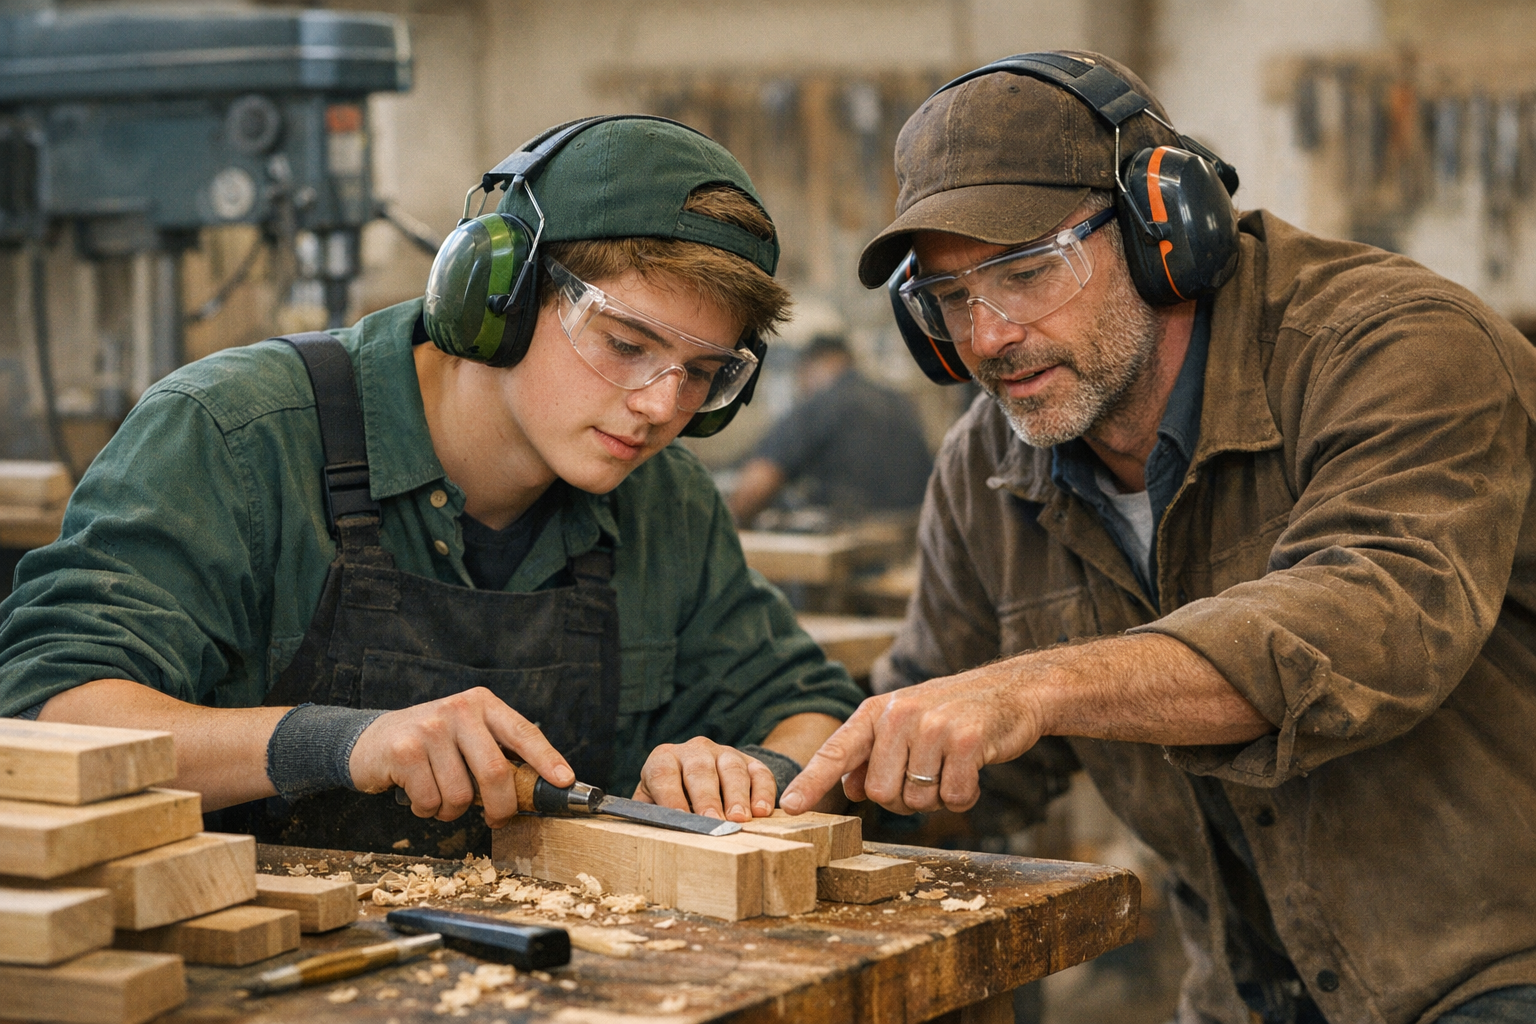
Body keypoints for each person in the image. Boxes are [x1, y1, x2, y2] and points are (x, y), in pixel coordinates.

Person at [782, 51, 1536, 1024]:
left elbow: (1373, 623)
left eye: (1022, 270)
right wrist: (785, 770)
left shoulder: (1397, 346)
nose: (990, 335)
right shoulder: (988, 468)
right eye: (950, 297)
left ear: (1164, 229)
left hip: (1494, 966)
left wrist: (1037, 684)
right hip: (1246, 992)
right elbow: (954, 748)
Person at [0, 116, 862, 857]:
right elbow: (52, 717)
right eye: (628, 344)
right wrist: (339, 741)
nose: (660, 406)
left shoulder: (664, 500)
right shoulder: (233, 435)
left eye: (703, 373)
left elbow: (812, 709)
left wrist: (758, 771)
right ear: (499, 293)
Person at [727, 333, 932, 526]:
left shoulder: (825, 402)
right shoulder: (898, 402)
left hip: (848, 550)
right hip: (908, 544)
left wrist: (729, 526)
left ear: (808, 367)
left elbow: (758, 483)